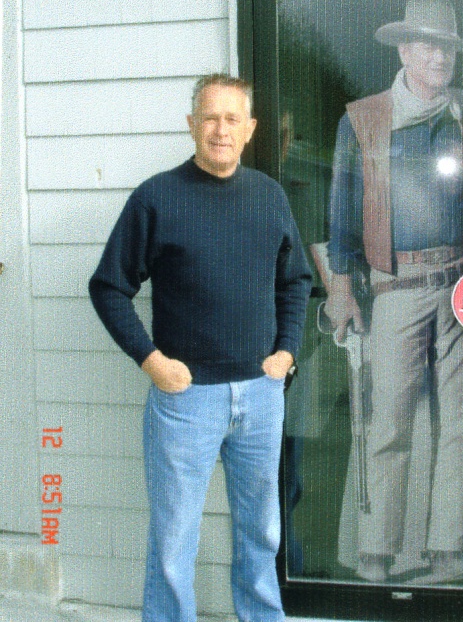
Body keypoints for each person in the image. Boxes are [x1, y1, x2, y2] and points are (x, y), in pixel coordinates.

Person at [89, 73, 312, 622]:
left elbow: (297, 280)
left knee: (262, 530)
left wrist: (285, 352)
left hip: (261, 396)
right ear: (191, 124)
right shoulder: (157, 197)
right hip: (185, 402)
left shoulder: (269, 195)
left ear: (251, 129)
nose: (220, 130)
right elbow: (109, 287)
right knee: (173, 539)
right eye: (209, 117)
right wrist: (152, 361)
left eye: (232, 119)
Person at [325, 0, 463, 585]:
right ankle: (378, 552)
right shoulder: (363, 118)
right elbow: (340, 212)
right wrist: (342, 288)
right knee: (389, 421)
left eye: (449, 48)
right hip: (396, 287)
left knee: (459, 423)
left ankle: (446, 551)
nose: (440, 57)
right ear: (405, 51)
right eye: (429, 46)